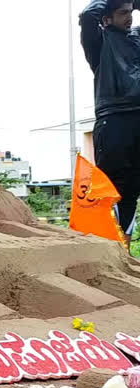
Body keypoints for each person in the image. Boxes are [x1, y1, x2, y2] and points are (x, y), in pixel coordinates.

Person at [81, 0, 140, 243]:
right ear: (107, 19)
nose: (129, 18)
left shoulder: (136, 39)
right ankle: (108, 243)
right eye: (123, 13)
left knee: (133, 189)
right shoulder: (99, 43)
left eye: (131, 12)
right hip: (113, 119)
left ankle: (124, 246)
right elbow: (87, 15)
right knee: (113, 187)